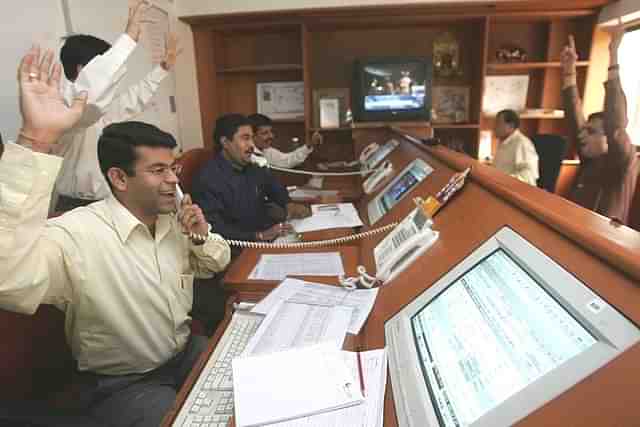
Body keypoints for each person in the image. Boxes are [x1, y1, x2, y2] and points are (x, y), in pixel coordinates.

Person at [0, 45, 230, 427]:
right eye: (158, 170)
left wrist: (201, 235)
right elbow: (9, 279)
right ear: (119, 178)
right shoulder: (76, 233)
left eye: (173, 168)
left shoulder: (171, 220)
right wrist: (36, 139)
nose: (174, 179)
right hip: (123, 383)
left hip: (183, 351)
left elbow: (217, 263)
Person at [51, 0, 181, 212]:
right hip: (76, 206)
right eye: (104, 64)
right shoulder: (65, 107)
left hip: (107, 201)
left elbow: (130, 101)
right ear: (83, 68)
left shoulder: (96, 110)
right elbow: (93, 96)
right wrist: (128, 39)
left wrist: (162, 69)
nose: (111, 77)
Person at [192, 113, 311, 243]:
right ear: (225, 142)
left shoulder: (250, 167)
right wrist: (258, 236)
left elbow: (273, 185)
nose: (252, 146)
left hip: (267, 236)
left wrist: (288, 204)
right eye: (245, 138)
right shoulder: (208, 179)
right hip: (241, 249)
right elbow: (214, 230)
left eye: (251, 139)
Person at [561, 31, 637, 225]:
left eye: (591, 131)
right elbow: (573, 118)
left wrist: (613, 56)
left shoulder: (621, 160)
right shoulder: (590, 158)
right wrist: (569, 72)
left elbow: (616, 123)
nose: (582, 135)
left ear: (609, 139)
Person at [248, 113, 322, 169]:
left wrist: (310, 144)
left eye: (271, 132)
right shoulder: (247, 156)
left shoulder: (267, 151)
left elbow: (286, 160)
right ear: (251, 135)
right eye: (265, 133)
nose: (271, 136)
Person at [492, 109, 539, 186]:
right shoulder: (504, 142)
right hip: (501, 186)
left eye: (498, 123)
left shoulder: (522, 143)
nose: (494, 127)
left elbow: (528, 176)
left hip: (515, 190)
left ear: (511, 126)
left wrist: (503, 180)